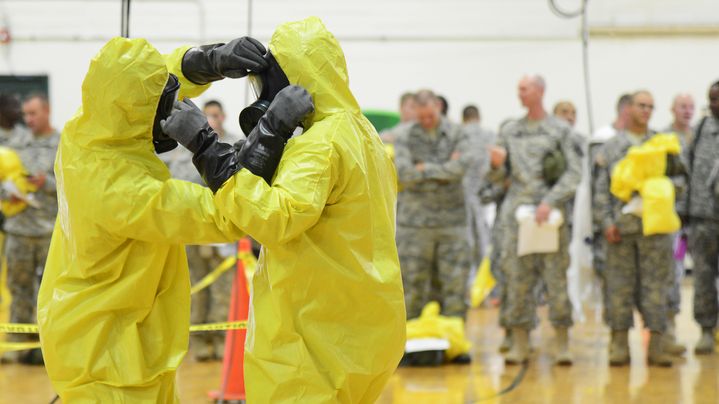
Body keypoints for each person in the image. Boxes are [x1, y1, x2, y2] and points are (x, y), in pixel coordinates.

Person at [161, 17, 406, 402]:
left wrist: (205, 145)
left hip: (312, 339)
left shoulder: (320, 145)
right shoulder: (363, 134)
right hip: (363, 330)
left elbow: (272, 220)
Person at [37, 35, 269, 401]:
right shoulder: (119, 189)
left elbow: (137, 79)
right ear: (135, 111)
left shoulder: (85, 131)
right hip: (112, 357)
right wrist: (209, 144)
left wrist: (208, 60)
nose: (171, 109)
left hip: (118, 337)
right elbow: (227, 214)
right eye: (161, 104)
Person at [487, 74, 581, 365]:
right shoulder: (510, 131)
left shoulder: (560, 130)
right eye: (519, 89)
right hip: (516, 215)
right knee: (516, 279)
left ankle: (562, 342)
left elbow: (574, 173)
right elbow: (497, 179)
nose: (520, 93)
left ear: (540, 91)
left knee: (556, 278)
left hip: (549, 216)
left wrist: (549, 202)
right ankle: (519, 341)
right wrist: (495, 167)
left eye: (524, 88)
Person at [593, 90, 677, 367]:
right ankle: (618, 344)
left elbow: (681, 179)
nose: (646, 111)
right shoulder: (611, 147)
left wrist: (658, 190)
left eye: (651, 107)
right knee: (618, 287)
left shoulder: (662, 144)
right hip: (622, 229)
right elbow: (601, 191)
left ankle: (656, 343)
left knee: (656, 287)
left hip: (655, 229)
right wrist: (606, 223)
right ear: (628, 109)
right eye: (641, 105)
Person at [163, 99, 242, 362]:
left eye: (216, 116)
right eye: (206, 116)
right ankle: (199, 341)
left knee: (223, 288)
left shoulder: (234, 144)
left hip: (223, 230)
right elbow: (178, 181)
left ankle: (221, 339)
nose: (212, 121)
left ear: (224, 116)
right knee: (196, 286)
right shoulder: (184, 148)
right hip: (192, 230)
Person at [394, 89, 472, 326]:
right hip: (415, 225)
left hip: (452, 223)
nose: (426, 121)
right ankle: (412, 347)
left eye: (430, 116)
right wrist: (444, 169)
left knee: (454, 288)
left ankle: (455, 342)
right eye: (421, 117)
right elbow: (405, 172)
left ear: (438, 106)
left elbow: (461, 167)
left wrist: (423, 169)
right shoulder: (404, 135)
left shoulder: (458, 133)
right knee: (412, 288)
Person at [0, 93, 59, 365]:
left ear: (47, 111)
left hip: (50, 232)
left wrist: (45, 183)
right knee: (18, 288)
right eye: (26, 114)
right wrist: (6, 193)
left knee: (50, 294)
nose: (29, 119)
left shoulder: (62, 145)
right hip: (19, 230)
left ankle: (46, 348)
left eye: (34, 113)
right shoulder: (13, 143)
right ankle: (17, 346)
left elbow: (75, 187)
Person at [685, 81, 719, 355]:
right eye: (712, 100)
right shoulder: (699, 131)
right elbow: (686, 172)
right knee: (703, 277)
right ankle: (706, 330)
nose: (715, 105)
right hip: (702, 218)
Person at [663, 92, 695, 356]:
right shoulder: (662, 139)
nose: (687, 111)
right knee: (673, 274)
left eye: (691, 107)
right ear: (672, 109)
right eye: (682, 106)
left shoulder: (704, 136)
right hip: (675, 222)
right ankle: (669, 331)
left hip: (703, 219)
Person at [461, 104, 495, 274]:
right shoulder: (490, 136)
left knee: (467, 239)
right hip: (486, 195)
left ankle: (470, 284)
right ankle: (488, 284)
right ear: (478, 117)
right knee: (485, 239)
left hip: (462, 194)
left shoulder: (459, 135)